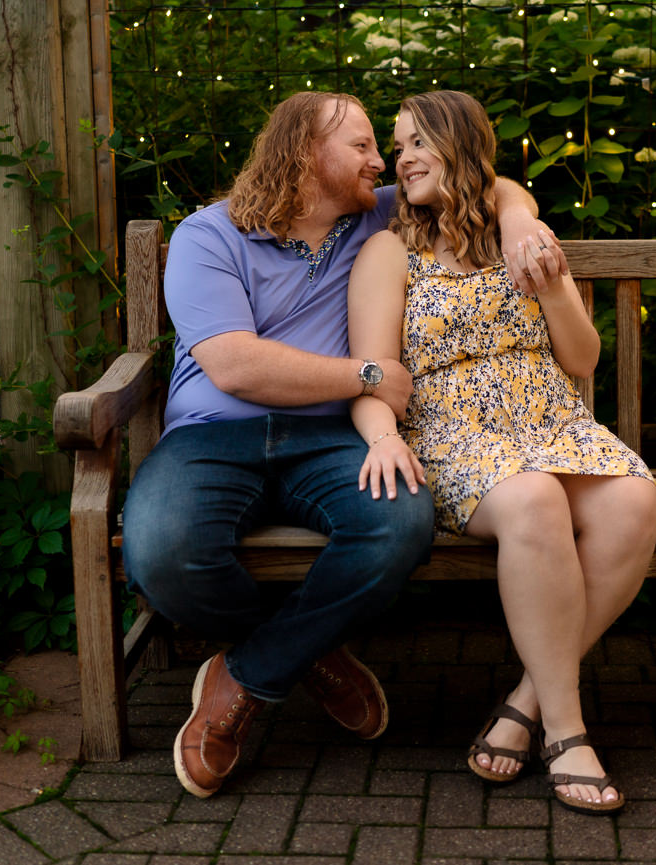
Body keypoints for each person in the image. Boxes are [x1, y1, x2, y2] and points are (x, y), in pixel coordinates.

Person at [121, 90, 561, 799]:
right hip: (213, 435)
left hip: (329, 437)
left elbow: (487, 180)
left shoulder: (374, 213)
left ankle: (245, 675)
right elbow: (234, 364)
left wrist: (515, 218)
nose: (380, 160)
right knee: (163, 553)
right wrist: (368, 374)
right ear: (304, 155)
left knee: (401, 523)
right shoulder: (211, 236)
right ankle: (313, 653)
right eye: (360, 145)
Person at [346, 90, 656, 815]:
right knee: (532, 496)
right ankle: (567, 731)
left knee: (634, 498)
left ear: (461, 146)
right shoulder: (390, 251)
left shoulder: (524, 235)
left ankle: (523, 700)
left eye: (419, 142)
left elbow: (583, 359)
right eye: (398, 146)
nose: (403, 159)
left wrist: (552, 287)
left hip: (549, 419)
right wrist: (385, 435)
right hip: (457, 434)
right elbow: (372, 375)